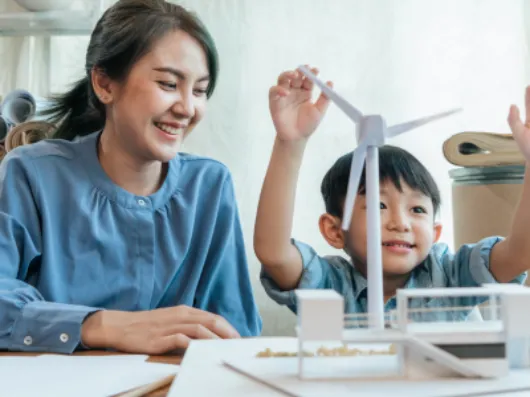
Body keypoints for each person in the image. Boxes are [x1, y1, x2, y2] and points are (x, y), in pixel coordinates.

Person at [0, 0, 262, 355]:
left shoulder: (209, 187)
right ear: (104, 83)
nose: (187, 108)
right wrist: (101, 324)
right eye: (169, 84)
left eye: (200, 90)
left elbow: (235, 331)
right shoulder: (30, 174)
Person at [254, 65, 529, 324]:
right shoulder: (329, 285)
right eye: (379, 205)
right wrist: (290, 143)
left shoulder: (451, 275)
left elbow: (520, 252)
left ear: (434, 234)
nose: (400, 223)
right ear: (335, 230)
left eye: (417, 210)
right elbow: (274, 255)